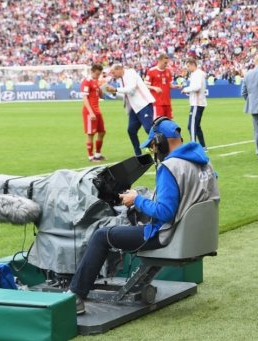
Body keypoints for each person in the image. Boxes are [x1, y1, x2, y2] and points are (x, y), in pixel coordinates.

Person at [68, 118, 220, 315]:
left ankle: (75, 297)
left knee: (101, 235)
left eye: (152, 146)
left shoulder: (170, 167)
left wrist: (137, 200)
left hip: (166, 235)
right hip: (195, 236)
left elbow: (165, 212)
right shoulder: (204, 163)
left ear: (160, 141)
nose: (153, 151)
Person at [104, 64, 156, 156]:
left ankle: (161, 147)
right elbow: (126, 95)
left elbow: (131, 90)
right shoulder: (121, 79)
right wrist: (114, 93)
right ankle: (138, 153)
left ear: (119, 69)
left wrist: (116, 89)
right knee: (131, 130)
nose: (113, 75)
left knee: (149, 129)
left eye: (113, 72)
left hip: (144, 104)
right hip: (135, 109)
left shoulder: (131, 73)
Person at [80, 64, 107, 162]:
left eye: (99, 74)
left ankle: (98, 154)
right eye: (97, 74)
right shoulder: (86, 82)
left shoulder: (96, 81)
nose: (98, 75)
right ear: (92, 71)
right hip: (89, 112)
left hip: (97, 111)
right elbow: (85, 98)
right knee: (90, 134)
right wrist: (91, 113)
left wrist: (102, 89)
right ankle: (91, 157)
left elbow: (101, 96)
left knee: (102, 132)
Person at [181, 57, 208, 150]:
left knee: (191, 126)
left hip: (197, 103)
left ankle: (193, 145)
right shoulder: (197, 74)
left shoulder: (197, 74)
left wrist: (186, 89)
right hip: (198, 102)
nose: (187, 68)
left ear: (193, 65)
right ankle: (203, 146)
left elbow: (197, 87)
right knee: (197, 125)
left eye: (188, 66)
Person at [145, 53, 182, 120]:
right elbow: (145, 85)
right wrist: (154, 88)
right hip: (157, 103)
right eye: (165, 63)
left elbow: (169, 85)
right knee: (159, 123)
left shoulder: (168, 71)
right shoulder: (151, 71)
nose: (166, 64)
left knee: (169, 122)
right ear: (159, 61)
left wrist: (176, 86)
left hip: (167, 102)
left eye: (167, 63)